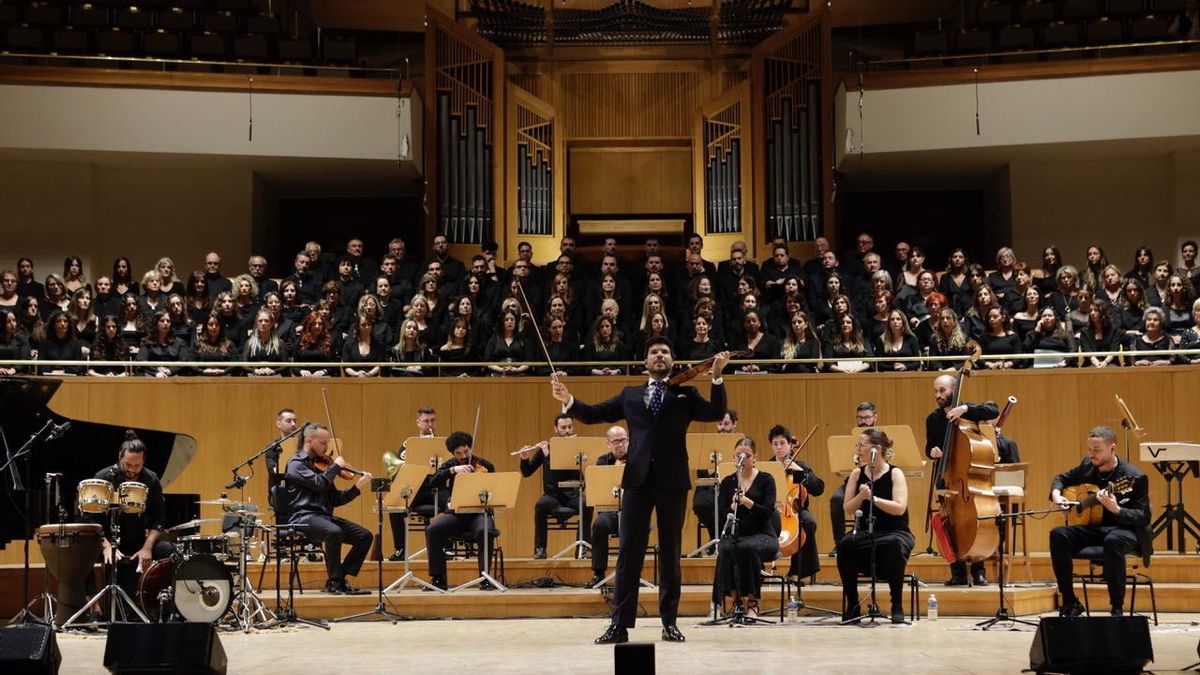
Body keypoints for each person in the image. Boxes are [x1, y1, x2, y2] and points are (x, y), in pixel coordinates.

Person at [552, 339, 731, 644]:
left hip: (672, 481)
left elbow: (716, 412)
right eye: (653, 352)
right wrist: (569, 399)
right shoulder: (630, 395)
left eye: (665, 352)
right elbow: (595, 413)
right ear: (644, 361)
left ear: (672, 359)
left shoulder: (685, 393)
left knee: (671, 553)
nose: (659, 356)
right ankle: (619, 625)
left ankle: (670, 622)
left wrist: (716, 375)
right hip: (637, 480)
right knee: (628, 554)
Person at [1050, 426, 1152, 617]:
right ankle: (1070, 602)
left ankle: (1116, 608)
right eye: (1089, 449)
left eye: (1096, 450)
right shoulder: (1088, 466)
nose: (1091, 454)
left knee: (1113, 540)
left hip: (1126, 530)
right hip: (1096, 529)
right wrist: (1057, 495)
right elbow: (1060, 478)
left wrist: (1117, 510)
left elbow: (1143, 517)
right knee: (1058, 535)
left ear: (1112, 449)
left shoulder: (1133, 477)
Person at [925, 374, 999, 586]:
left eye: (942, 390)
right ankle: (956, 571)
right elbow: (928, 447)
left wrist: (965, 409)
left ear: (954, 390)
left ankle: (978, 570)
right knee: (949, 523)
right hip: (948, 480)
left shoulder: (969, 413)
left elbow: (993, 410)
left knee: (974, 522)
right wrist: (933, 452)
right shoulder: (933, 419)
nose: (938, 395)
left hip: (967, 483)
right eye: (936, 391)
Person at [837, 428, 914, 624]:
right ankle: (853, 605)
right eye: (858, 445)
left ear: (876, 449)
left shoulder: (895, 473)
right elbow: (848, 508)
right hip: (866, 532)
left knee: (894, 545)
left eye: (861, 445)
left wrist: (874, 498)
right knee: (845, 545)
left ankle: (896, 603)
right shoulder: (857, 473)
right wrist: (861, 497)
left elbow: (899, 508)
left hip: (895, 531)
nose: (858, 449)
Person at [285, 423, 373, 595]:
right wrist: (335, 467)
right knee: (334, 532)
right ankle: (334, 581)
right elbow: (319, 484)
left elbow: (335, 499)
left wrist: (357, 486)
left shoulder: (323, 466)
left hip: (323, 517)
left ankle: (339, 577)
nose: (327, 447)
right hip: (303, 517)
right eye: (323, 443)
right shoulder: (296, 463)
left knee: (364, 536)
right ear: (309, 441)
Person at [87, 430, 176, 597]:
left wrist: (147, 548)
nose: (132, 470)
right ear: (120, 457)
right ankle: (95, 609)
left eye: (137, 466)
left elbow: (158, 519)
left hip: (137, 540)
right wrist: (105, 545)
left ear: (143, 461)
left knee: (169, 551)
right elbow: (89, 518)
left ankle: (159, 602)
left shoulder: (151, 479)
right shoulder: (104, 477)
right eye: (128, 465)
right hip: (106, 539)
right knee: (82, 552)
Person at [712, 437, 778, 618]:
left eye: (746, 455)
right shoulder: (728, 482)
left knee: (748, 549)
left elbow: (767, 512)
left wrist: (748, 502)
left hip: (762, 534)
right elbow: (719, 513)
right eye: (738, 455)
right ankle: (737, 602)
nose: (742, 459)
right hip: (737, 533)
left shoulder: (766, 479)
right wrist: (732, 507)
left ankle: (753, 602)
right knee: (725, 547)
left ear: (754, 457)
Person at [425, 431, 498, 590]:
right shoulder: (451, 465)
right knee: (433, 529)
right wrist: (453, 471)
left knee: (485, 530)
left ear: (470, 448)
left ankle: (484, 578)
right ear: (453, 453)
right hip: (456, 515)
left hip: (479, 514)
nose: (463, 456)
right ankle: (438, 579)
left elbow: (495, 491)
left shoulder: (485, 466)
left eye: (466, 451)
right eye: (458, 453)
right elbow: (432, 482)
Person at [519, 414, 584, 559]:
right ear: (556, 429)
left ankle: (582, 547)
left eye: (569, 427)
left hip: (572, 495)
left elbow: (565, 470)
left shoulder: (577, 448)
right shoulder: (545, 448)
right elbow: (527, 472)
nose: (567, 431)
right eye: (563, 427)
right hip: (552, 496)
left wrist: (549, 456)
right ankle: (540, 548)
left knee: (586, 503)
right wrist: (524, 459)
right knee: (541, 505)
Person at [767, 424, 824, 581]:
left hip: (794, 510)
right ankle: (757, 571)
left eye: (782, 443)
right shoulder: (767, 469)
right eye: (775, 444)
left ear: (790, 445)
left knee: (808, 522)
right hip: (771, 510)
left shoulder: (799, 467)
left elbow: (818, 488)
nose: (779, 447)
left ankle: (797, 572)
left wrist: (799, 471)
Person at [387, 407, 440, 561]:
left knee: (452, 502)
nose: (430, 424)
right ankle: (401, 549)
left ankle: (445, 547)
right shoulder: (409, 445)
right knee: (395, 505)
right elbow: (400, 469)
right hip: (416, 490)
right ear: (418, 423)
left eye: (433, 420)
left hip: (436, 489)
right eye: (426, 421)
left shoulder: (443, 444)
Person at [828, 402, 879, 554]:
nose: (864, 421)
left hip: (877, 483)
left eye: (867, 417)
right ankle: (840, 543)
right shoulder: (850, 442)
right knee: (836, 499)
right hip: (853, 482)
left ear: (875, 417)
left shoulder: (881, 438)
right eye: (860, 418)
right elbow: (840, 468)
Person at [586, 425, 630, 588]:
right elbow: (598, 488)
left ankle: (632, 574)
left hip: (633, 510)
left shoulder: (637, 458)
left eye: (623, 440)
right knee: (599, 525)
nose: (620, 445)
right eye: (616, 441)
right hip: (610, 510)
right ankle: (599, 573)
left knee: (638, 526)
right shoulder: (602, 461)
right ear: (608, 444)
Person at [691, 410, 739, 553]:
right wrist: (711, 470)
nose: (722, 427)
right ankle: (717, 537)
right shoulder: (709, 443)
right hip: (709, 485)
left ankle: (724, 540)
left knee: (727, 504)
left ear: (735, 424)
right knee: (700, 504)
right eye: (719, 424)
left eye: (726, 423)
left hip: (732, 485)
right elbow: (700, 470)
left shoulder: (740, 443)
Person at [265, 408, 299, 501]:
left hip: (301, 494)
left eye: (295, 421)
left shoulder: (302, 446)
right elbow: (273, 471)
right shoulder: (272, 447)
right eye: (289, 421)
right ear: (279, 424)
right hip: (281, 493)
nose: (293, 424)